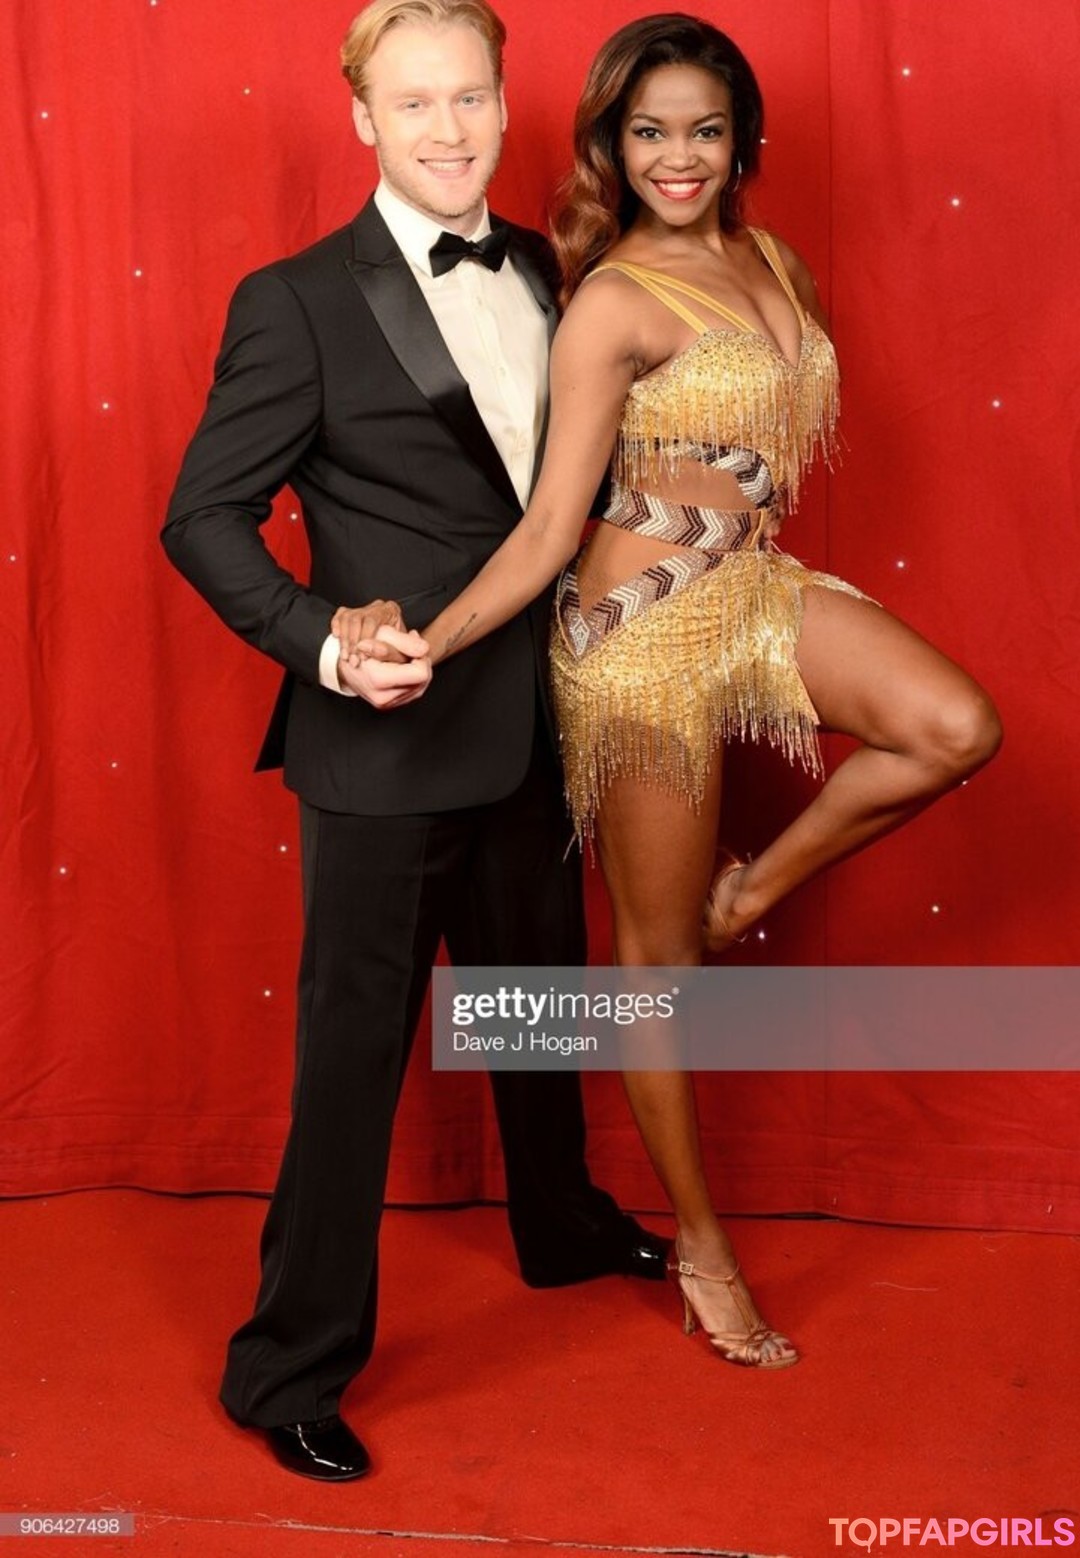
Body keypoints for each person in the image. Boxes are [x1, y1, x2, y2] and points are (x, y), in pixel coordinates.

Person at [339, 13, 1003, 1370]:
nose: (677, 157)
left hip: (748, 592)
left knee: (955, 726)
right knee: (659, 973)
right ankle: (701, 1246)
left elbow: (752, 458)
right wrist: (433, 642)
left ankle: (745, 894)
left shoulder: (774, 260)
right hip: (635, 644)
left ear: (741, 137)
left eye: (704, 129)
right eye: (648, 132)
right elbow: (548, 526)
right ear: (614, 145)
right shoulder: (612, 301)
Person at [161, 0, 670, 1482]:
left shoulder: (553, 269)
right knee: (355, 1060)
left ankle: (559, 1223)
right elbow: (202, 515)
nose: (449, 130)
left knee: (534, 998)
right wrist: (324, 641)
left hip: (538, 718)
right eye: (414, 102)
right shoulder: (295, 301)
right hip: (380, 746)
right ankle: (287, 1366)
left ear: (506, 106)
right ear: (363, 120)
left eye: (471, 98)